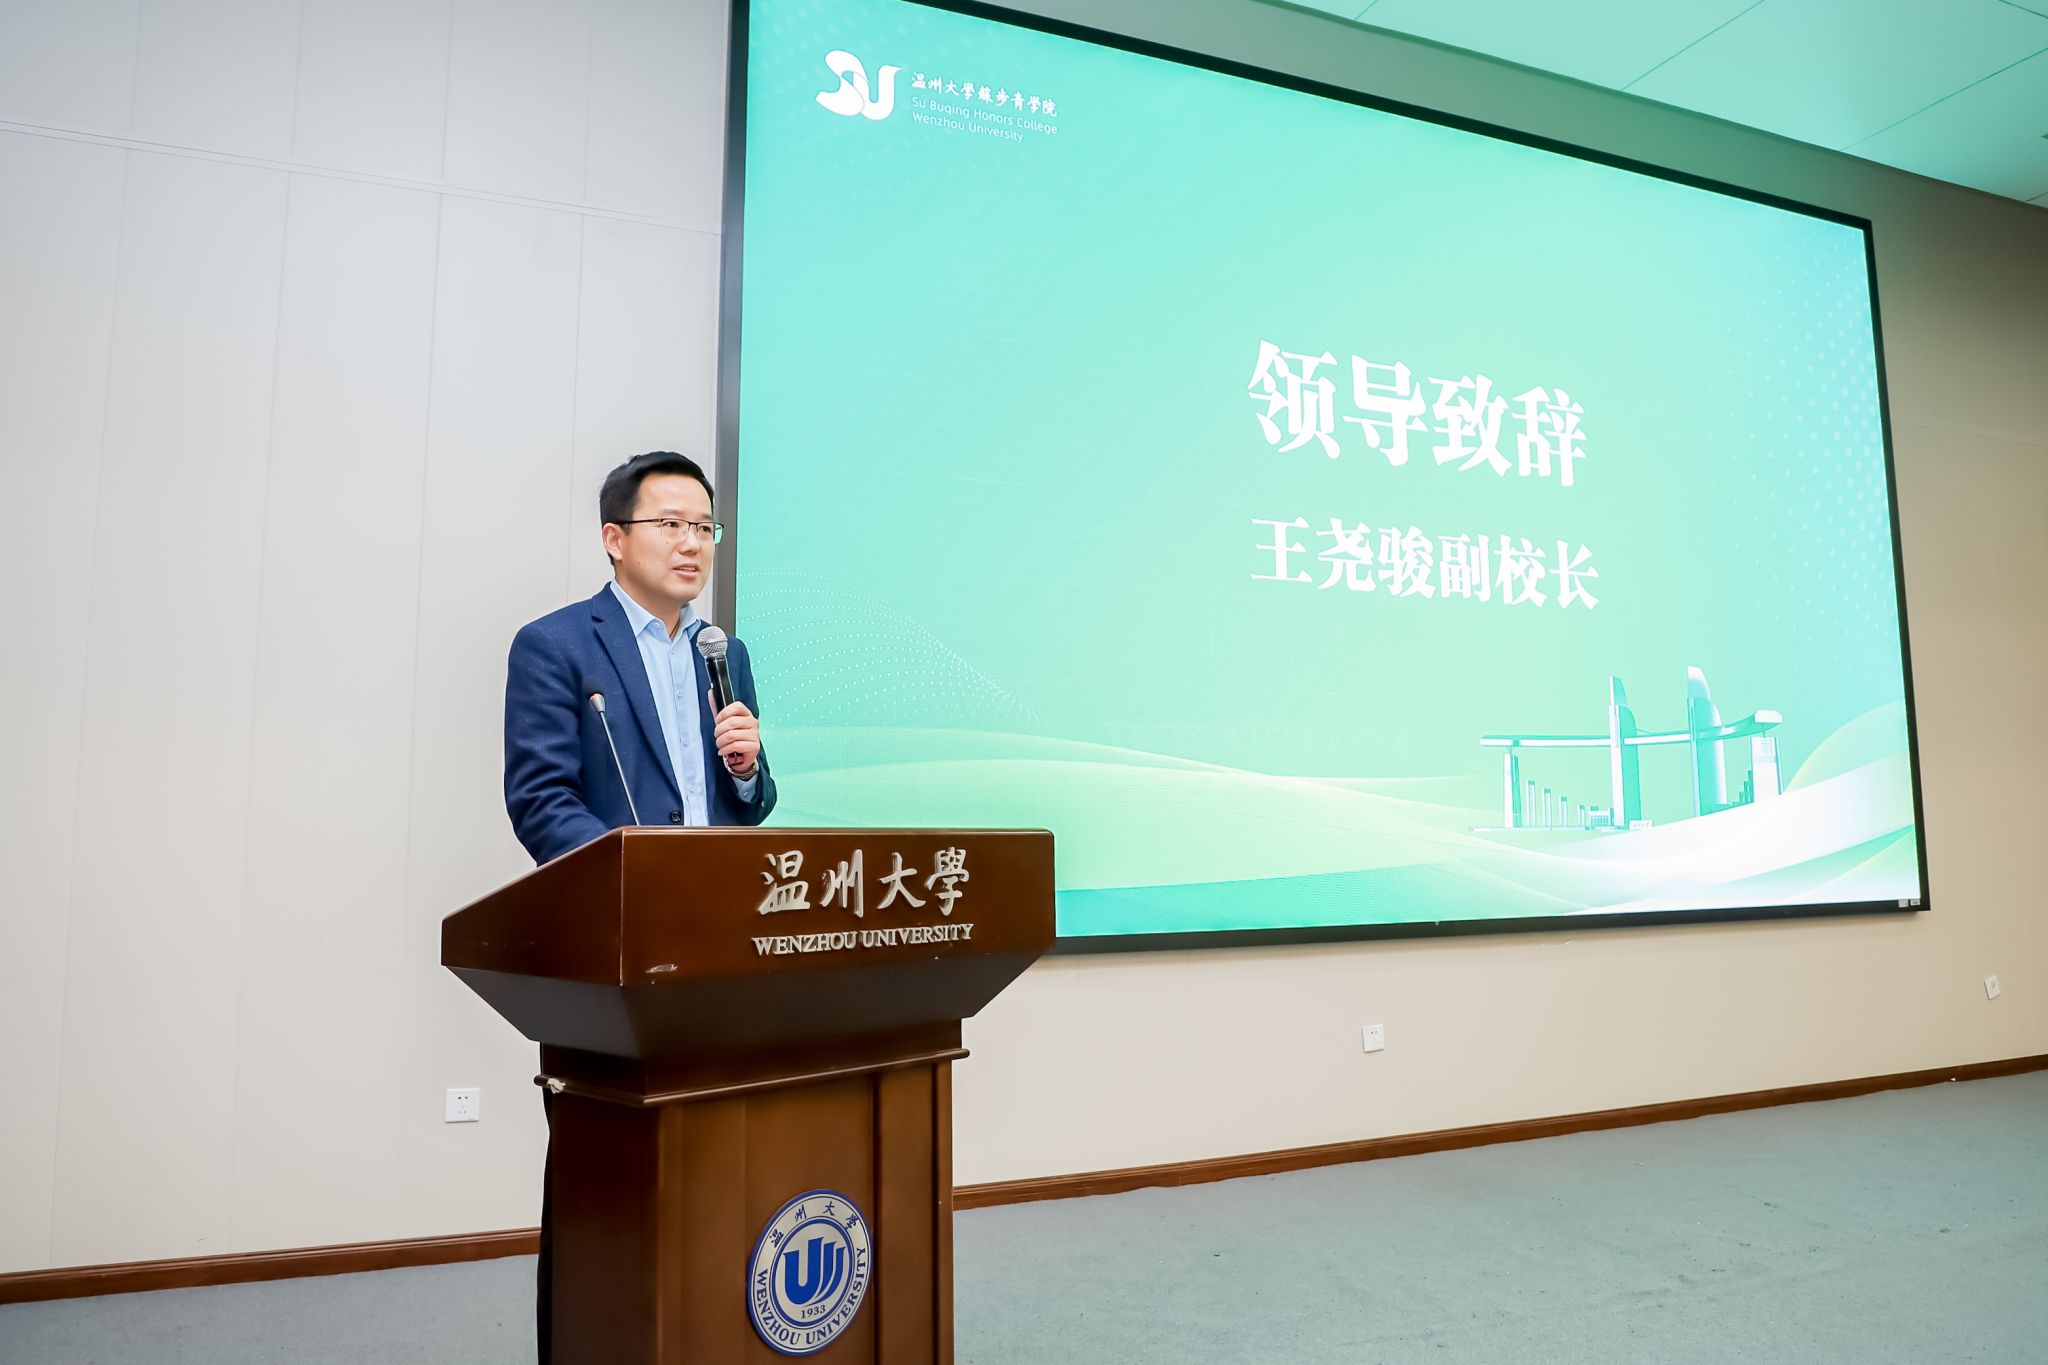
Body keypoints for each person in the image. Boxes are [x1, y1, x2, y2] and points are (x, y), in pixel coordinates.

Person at [501, 450, 777, 1362]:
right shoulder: (556, 645)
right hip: (622, 943)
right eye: (672, 524)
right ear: (615, 539)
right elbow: (541, 800)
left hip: (722, 945)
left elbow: (748, 806)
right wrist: (636, 888)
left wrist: (748, 769)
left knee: (726, 1160)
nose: (692, 543)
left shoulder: (722, 652)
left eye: (704, 526)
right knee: (614, 1173)